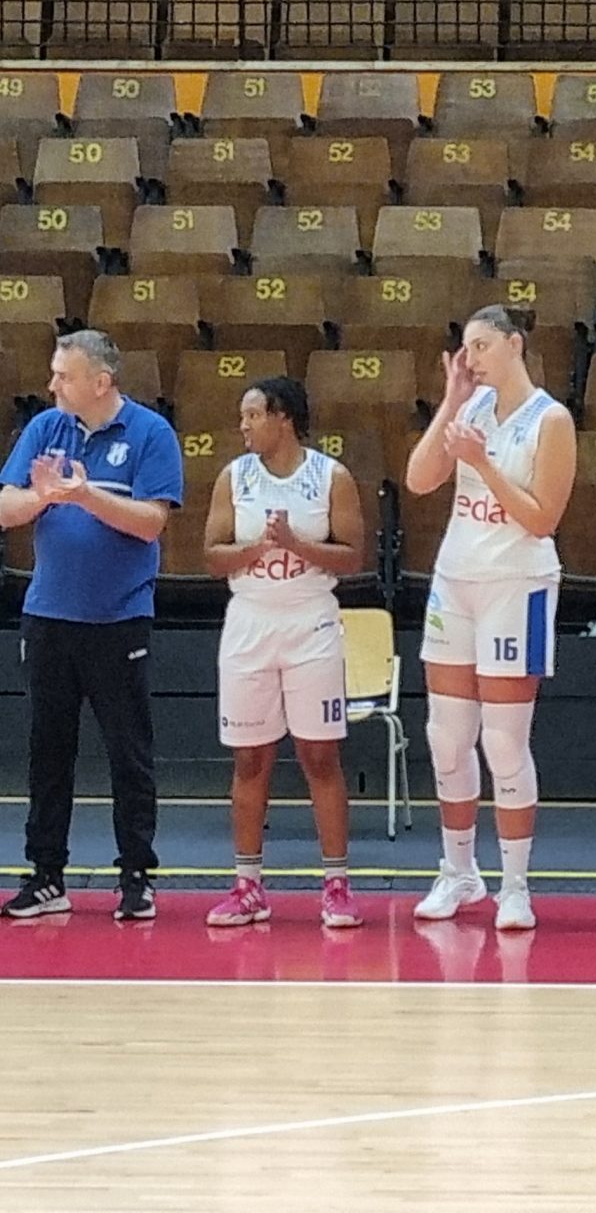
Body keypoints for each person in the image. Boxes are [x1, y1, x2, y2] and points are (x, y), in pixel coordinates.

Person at [402, 306, 577, 931]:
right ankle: (458, 871)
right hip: (457, 581)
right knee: (446, 739)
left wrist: (483, 465)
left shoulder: (550, 419)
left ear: (514, 344)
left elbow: (542, 518)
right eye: (465, 347)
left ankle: (515, 885)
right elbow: (419, 480)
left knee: (503, 743)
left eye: (480, 346)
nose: (469, 357)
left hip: (517, 585)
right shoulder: (470, 408)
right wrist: (451, 403)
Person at [0, 331, 184, 921]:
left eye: (64, 375)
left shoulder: (150, 433)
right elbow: (5, 506)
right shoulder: (45, 428)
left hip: (118, 618)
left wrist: (84, 497)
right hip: (48, 615)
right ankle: (46, 876)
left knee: (128, 753)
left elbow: (151, 522)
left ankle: (136, 876)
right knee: (47, 752)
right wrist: (42, 498)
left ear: (101, 382)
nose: (52, 384)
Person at [202, 377, 370, 930]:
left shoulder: (330, 477)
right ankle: (248, 886)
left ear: (283, 418)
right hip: (250, 621)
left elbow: (353, 557)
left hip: (310, 620)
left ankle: (337, 885)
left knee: (320, 756)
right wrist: (256, 548)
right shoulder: (234, 477)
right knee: (250, 759)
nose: (243, 426)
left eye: (252, 415)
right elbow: (212, 556)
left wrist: (297, 545)